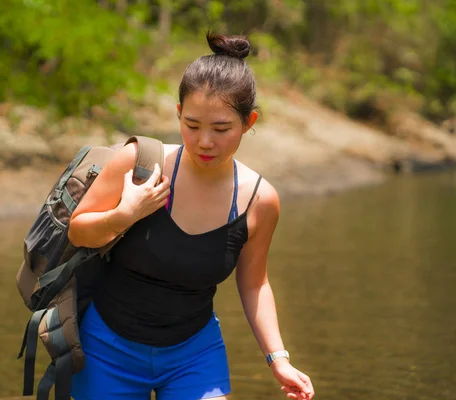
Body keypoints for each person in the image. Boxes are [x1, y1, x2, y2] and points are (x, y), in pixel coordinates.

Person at [67, 32, 315, 400]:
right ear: (179, 113)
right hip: (108, 348)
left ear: (249, 123)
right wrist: (125, 214)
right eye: (193, 125)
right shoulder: (140, 162)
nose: (204, 142)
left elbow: (255, 284)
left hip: (193, 355)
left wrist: (278, 358)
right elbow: (77, 232)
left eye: (221, 129)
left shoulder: (259, 200)